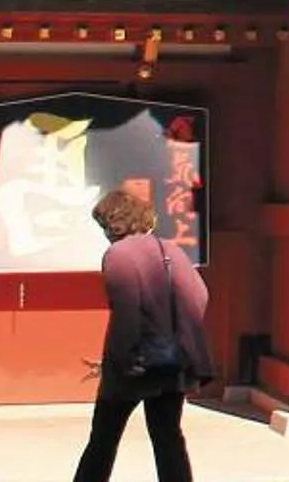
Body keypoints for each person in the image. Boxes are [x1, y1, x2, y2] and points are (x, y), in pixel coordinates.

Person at [71, 187, 212, 482]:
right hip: (172, 364)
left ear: (113, 222)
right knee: (168, 438)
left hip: (134, 366)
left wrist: (119, 364)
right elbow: (200, 295)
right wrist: (176, 336)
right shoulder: (169, 249)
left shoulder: (118, 256)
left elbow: (126, 315)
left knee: (103, 440)